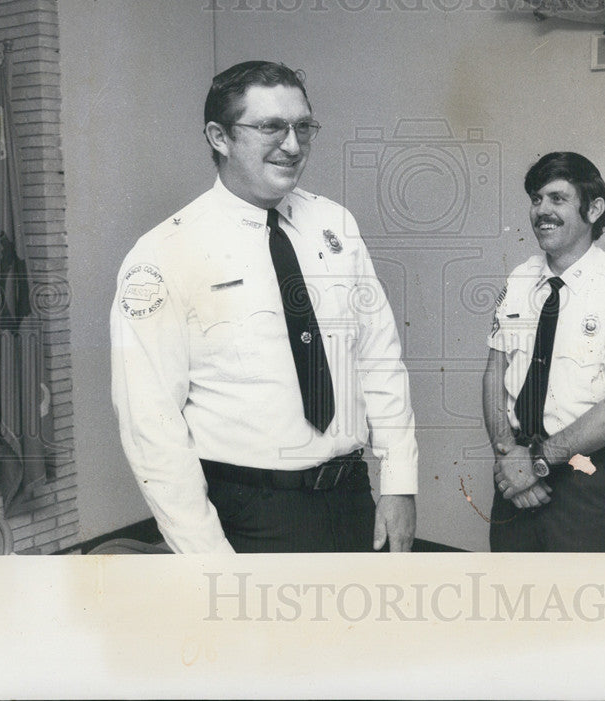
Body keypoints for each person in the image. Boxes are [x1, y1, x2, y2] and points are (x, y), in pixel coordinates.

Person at [110, 61, 417, 553]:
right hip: (249, 514)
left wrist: (400, 482)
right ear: (219, 136)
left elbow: (379, 358)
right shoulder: (164, 253)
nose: (293, 146)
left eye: (303, 127)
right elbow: (151, 425)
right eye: (271, 127)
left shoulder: (334, 224)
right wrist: (208, 558)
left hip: (351, 499)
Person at [484, 152, 605, 551]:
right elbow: (494, 373)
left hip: (588, 481)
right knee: (512, 604)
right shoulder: (520, 279)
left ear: (594, 208)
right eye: (536, 199)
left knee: (592, 606)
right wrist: (507, 455)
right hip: (514, 475)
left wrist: (536, 461)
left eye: (557, 199)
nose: (541, 210)